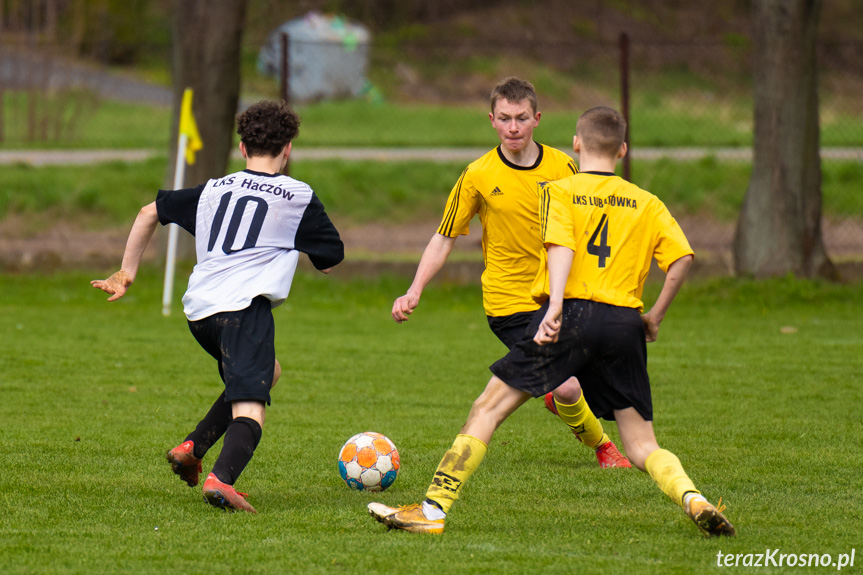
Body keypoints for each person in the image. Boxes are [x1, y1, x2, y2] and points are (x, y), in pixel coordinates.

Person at [369, 106, 735, 537]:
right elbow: (682, 259)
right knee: (641, 444)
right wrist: (654, 316)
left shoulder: (560, 190)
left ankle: (432, 510)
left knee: (487, 409)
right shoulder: (647, 201)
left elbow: (560, 247)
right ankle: (694, 499)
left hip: (571, 314)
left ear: (577, 144)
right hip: (624, 322)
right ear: (622, 149)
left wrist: (556, 305)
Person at [91, 100, 344, 513]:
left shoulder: (213, 189)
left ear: (242, 148)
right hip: (244, 311)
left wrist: (126, 271)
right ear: (288, 149)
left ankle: (193, 447)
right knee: (252, 404)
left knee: (268, 372)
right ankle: (221, 480)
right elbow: (331, 260)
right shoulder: (298, 196)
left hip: (201, 314)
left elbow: (147, 212)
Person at [391, 77, 630, 468]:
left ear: (537, 118)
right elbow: (443, 237)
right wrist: (414, 289)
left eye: (521, 118)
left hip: (559, 296)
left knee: (573, 388)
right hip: (508, 303)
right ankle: (606, 449)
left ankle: (561, 399)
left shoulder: (564, 166)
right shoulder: (478, 175)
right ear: (492, 120)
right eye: (505, 119)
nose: (513, 127)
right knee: (568, 385)